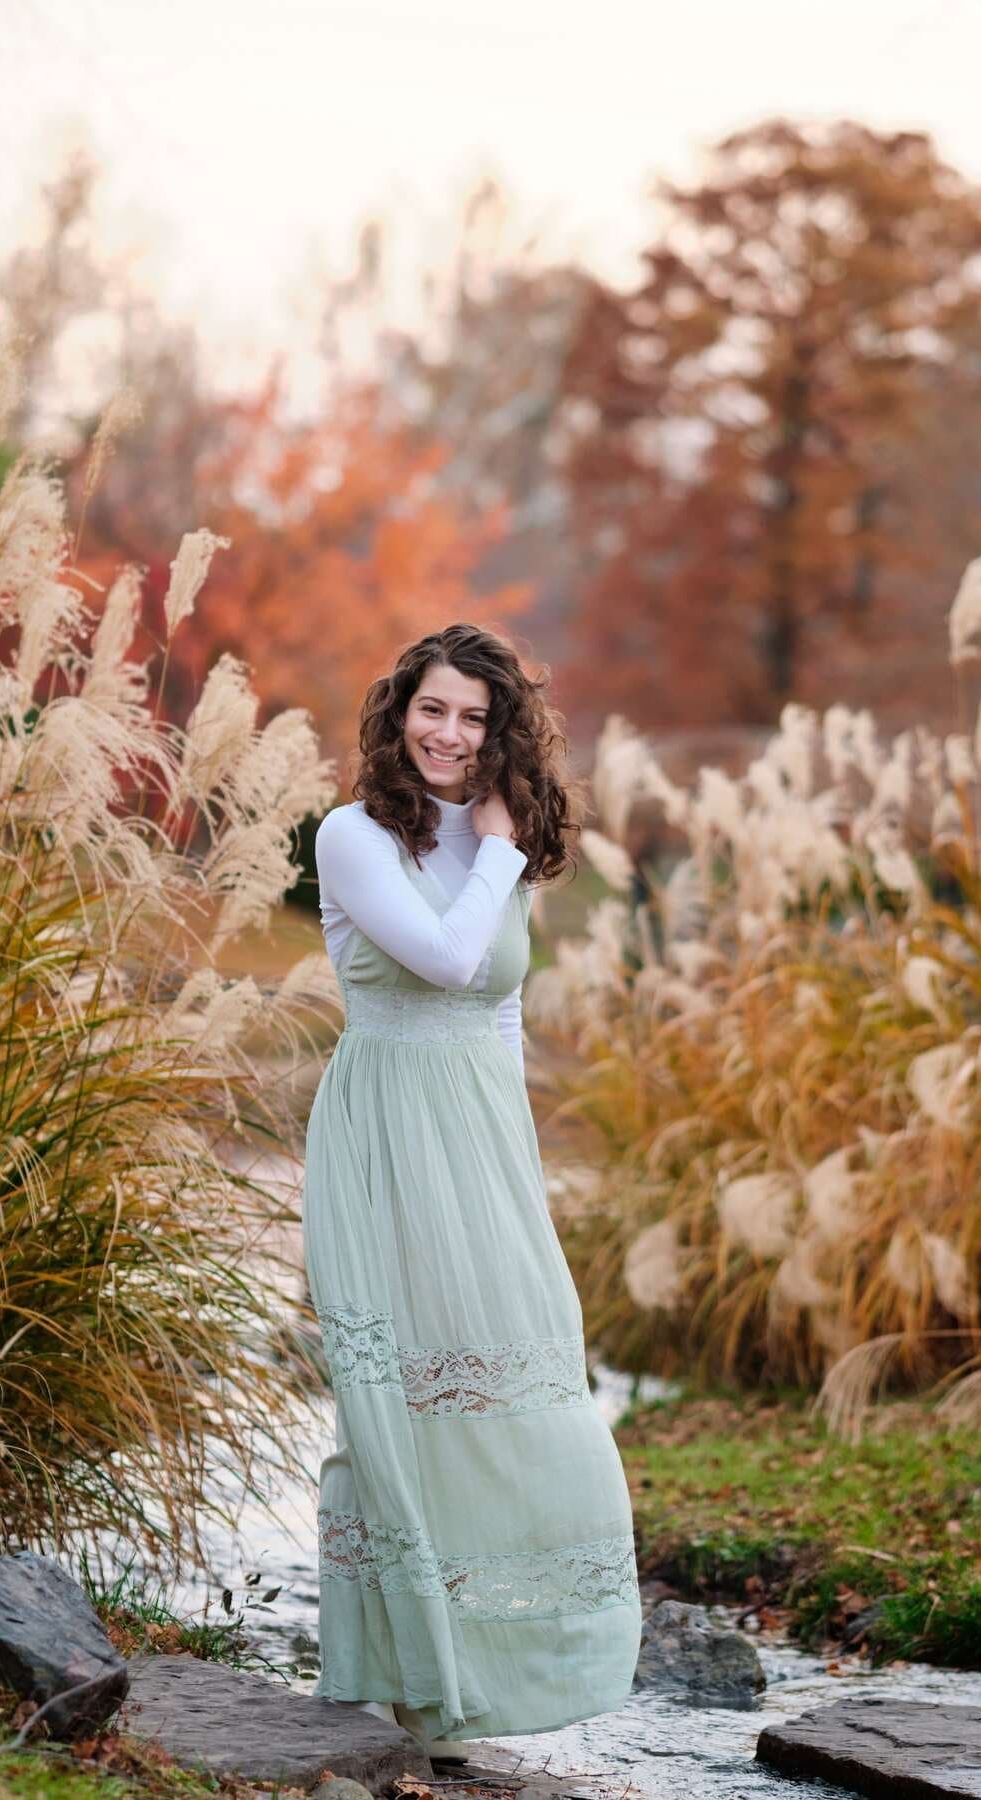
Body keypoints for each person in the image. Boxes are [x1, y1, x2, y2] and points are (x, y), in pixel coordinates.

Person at [301, 622, 642, 1759]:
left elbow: (499, 1005)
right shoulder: (354, 835)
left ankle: (500, 1668)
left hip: (479, 1134)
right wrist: (496, 851)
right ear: (400, 712)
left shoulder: (502, 842)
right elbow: (443, 960)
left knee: (528, 1380)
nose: (448, 734)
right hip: (385, 1129)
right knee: (397, 1395)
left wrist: (516, 1165)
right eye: (432, 709)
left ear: (503, 733)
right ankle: (402, 1678)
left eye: (473, 717)